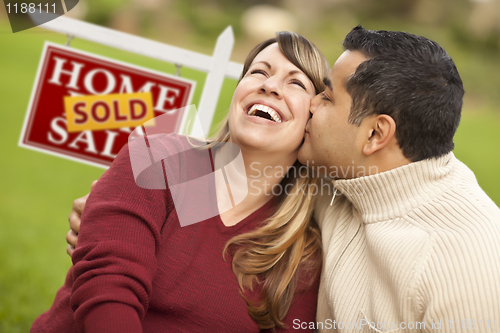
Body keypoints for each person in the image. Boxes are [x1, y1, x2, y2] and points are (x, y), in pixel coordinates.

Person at [31, 31, 330, 333]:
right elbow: (108, 288)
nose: (269, 85)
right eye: (258, 72)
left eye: (295, 82)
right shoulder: (159, 157)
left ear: (313, 120)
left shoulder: (299, 253)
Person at [297, 26, 500, 332]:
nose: (310, 104)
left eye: (327, 97)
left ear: (375, 134)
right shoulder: (341, 175)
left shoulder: (467, 266)